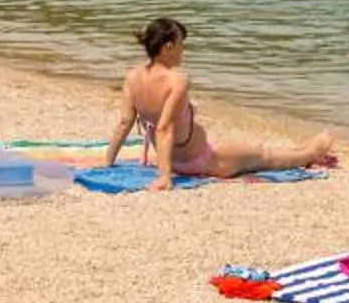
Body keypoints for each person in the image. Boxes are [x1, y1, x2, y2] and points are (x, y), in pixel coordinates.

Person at [107, 18, 333, 186]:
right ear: (168, 47)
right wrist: (164, 177)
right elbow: (165, 127)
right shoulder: (177, 80)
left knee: (259, 152)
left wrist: (109, 161)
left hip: (173, 160)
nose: (183, 51)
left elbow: (125, 123)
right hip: (202, 160)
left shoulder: (132, 77)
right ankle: (310, 153)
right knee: (264, 155)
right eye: (181, 44)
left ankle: (301, 148)